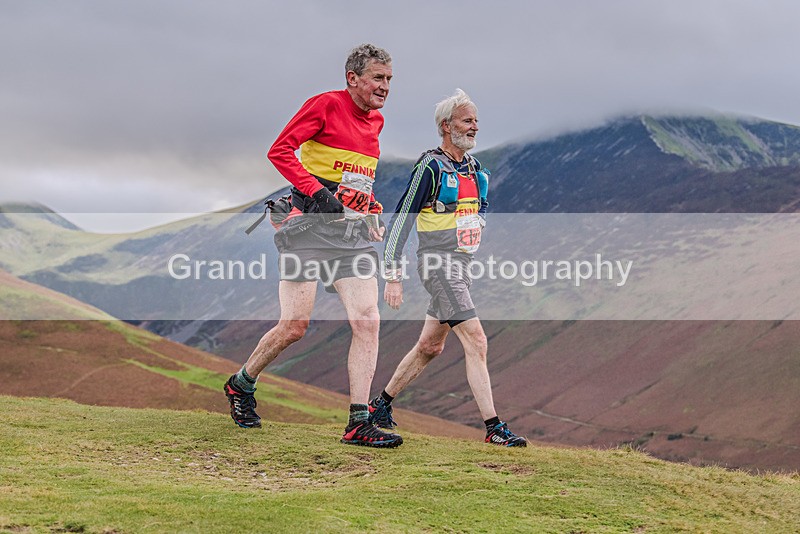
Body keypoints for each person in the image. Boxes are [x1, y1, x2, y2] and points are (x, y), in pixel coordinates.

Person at [224, 44, 403, 448]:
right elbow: (280, 151)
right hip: (305, 230)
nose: (385, 86)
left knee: (367, 321)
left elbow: (356, 180)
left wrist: (371, 209)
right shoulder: (324, 105)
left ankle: (358, 422)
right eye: (378, 77)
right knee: (294, 326)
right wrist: (315, 192)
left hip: (350, 238)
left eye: (389, 79)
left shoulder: (377, 123)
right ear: (352, 78)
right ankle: (241, 384)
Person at [371, 89, 527, 447]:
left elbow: (481, 207)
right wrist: (392, 276)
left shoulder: (476, 169)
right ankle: (494, 428)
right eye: (466, 121)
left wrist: (475, 228)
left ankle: (381, 406)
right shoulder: (430, 166)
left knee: (430, 346)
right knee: (477, 340)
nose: (474, 127)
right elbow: (401, 221)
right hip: (438, 266)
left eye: (475, 121)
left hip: (461, 266)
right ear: (446, 126)